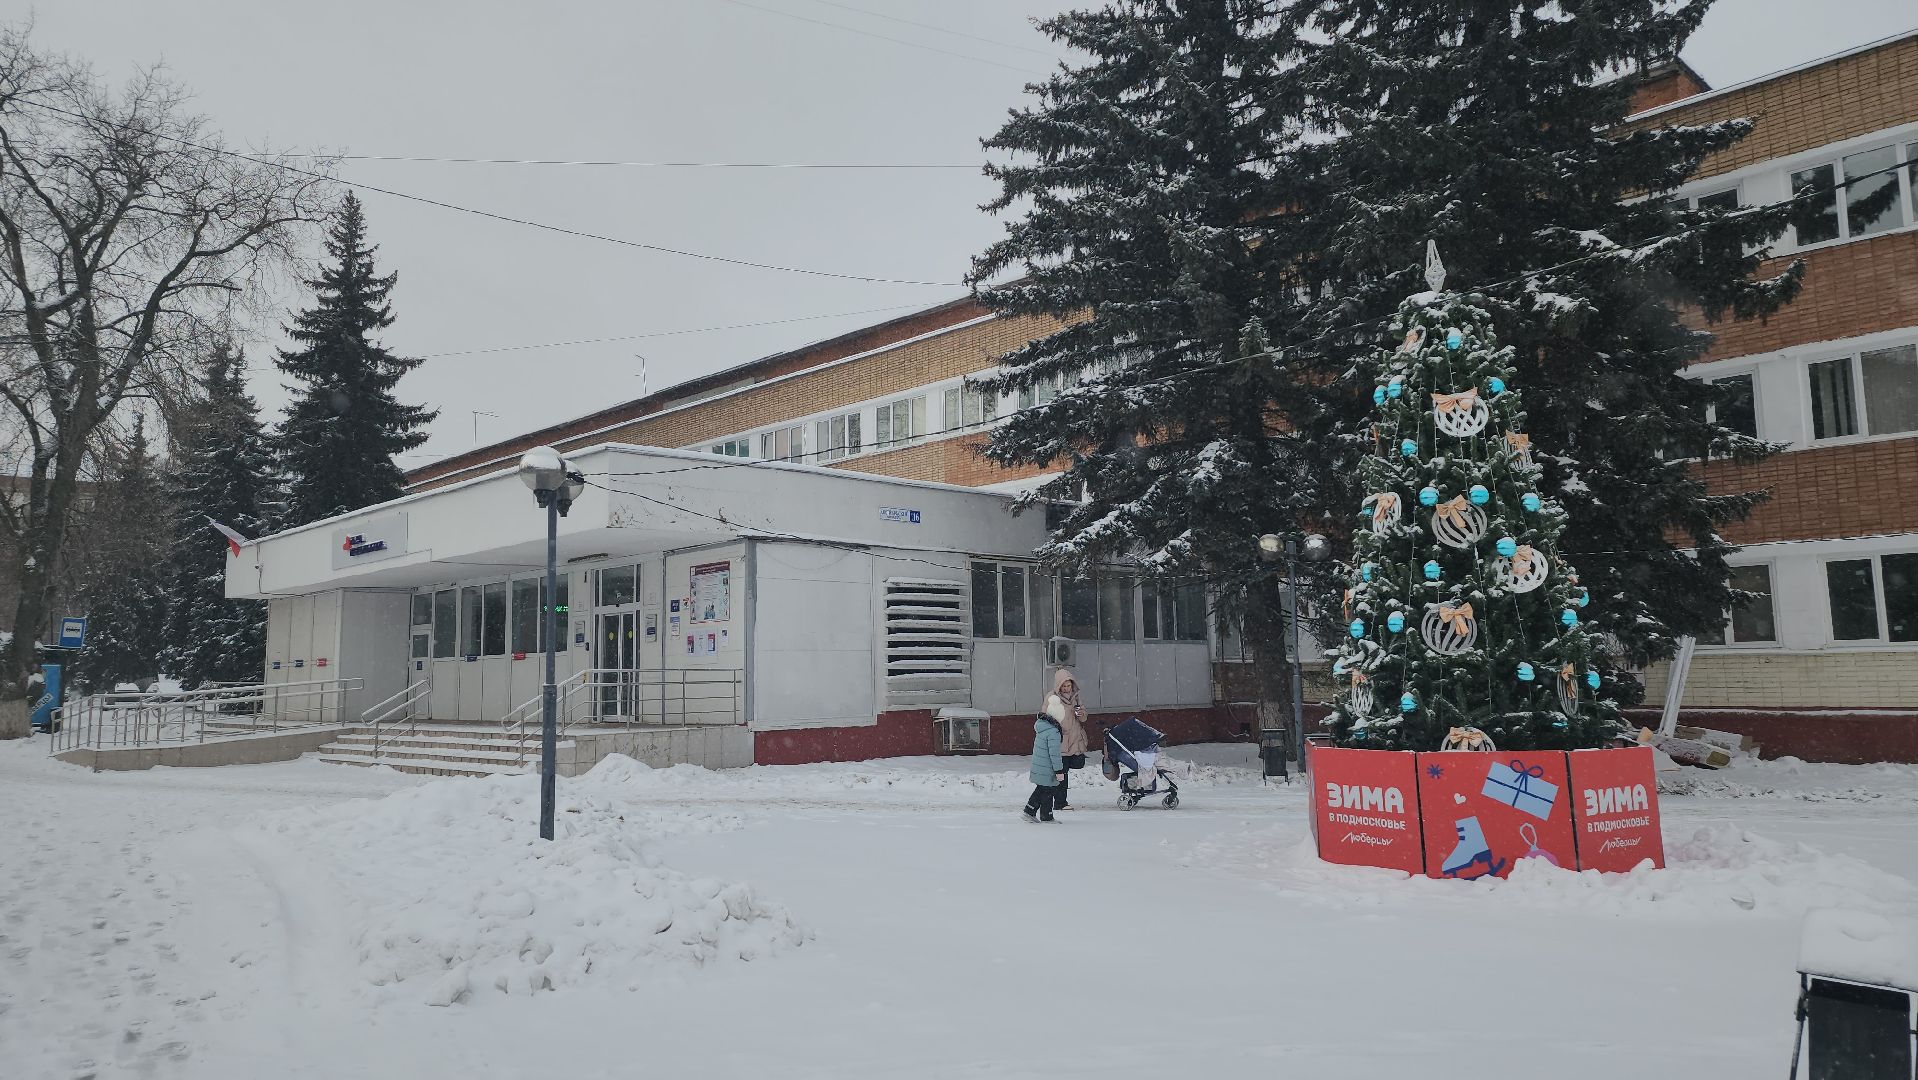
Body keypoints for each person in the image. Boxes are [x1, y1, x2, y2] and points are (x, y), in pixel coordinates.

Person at [1046, 668, 1089, 810]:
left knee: (1078, 763)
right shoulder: (1052, 698)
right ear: (1058, 685)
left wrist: (1082, 713)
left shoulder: (1076, 697)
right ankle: (1060, 802)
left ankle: (1055, 794)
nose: (1066, 688)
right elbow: (1044, 717)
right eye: (1063, 686)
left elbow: (1083, 718)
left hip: (1075, 741)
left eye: (1068, 685)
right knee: (1062, 774)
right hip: (1061, 742)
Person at [1023, 703, 1064, 824]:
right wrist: (1059, 770)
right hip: (1047, 767)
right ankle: (1043, 815)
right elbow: (1055, 754)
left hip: (1040, 765)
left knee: (1043, 789)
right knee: (1046, 790)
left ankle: (1034, 812)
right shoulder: (1053, 732)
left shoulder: (1043, 727)